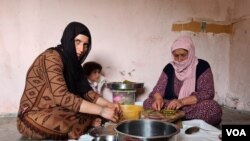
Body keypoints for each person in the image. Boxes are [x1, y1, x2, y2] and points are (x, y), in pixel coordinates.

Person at [17, 22, 121, 140]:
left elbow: (86, 92)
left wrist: (109, 105)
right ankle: (85, 123)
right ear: (68, 39)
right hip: (33, 115)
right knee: (63, 121)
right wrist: (102, 110)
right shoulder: (51, 57)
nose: (82, 49)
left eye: (86, 45)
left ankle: (84, 123)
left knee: (94, 112)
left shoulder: (75, 64)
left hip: (58, 109)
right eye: (77, 42)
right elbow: (62, 96)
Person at [143, 36, 222, 126]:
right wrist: (158, 99)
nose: (179, 59)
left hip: (191, 105)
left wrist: (181, 102)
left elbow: (207, 92)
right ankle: (177, 116)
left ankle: (172, 116)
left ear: (190, 52)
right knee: (147, 102)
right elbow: (158, 89)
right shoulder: (169, 67)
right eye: (176, 56)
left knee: (212, 108)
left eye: (183, 55)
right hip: (170, 105)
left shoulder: (202, 66)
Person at [82, 61, 107, 127]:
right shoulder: (85, 85)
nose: (98, 75)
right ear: (87, 73)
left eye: (99, 72)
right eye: (95, 72)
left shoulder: (95, 84)